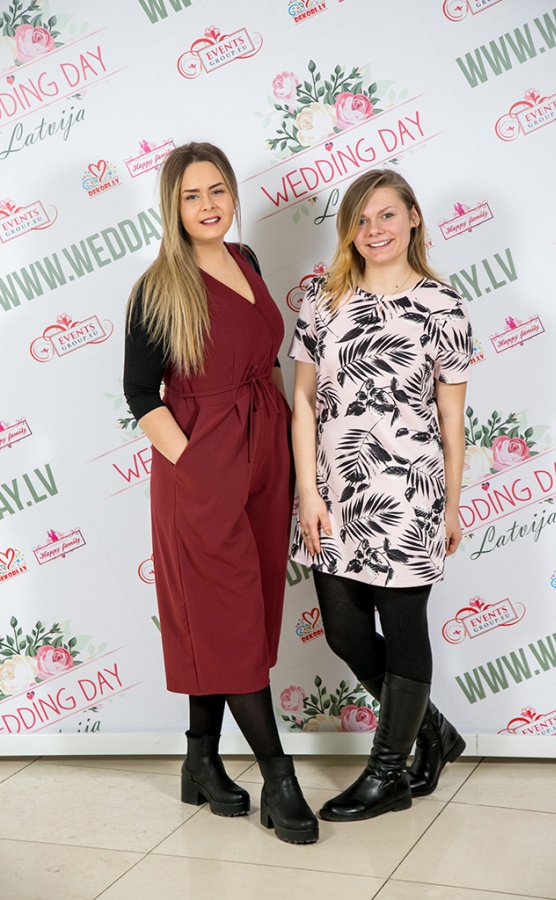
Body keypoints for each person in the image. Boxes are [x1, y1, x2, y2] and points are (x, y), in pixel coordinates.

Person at [123, 142, 318, 844]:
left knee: (243, 607)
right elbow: (140, 394)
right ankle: (279, 778)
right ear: (172, 207)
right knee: (230, 615)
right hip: (203, 467)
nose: (208, 206)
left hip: (266, 454)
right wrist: (198, 464)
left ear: (233, 194)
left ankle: (199, 762)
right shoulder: (158, 287)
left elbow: (266, 360)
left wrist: (287, 451)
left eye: (218, 191)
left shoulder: (248, 259)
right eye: (192, 196)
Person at [289, 168, 472, 822]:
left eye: (387, 215)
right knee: (344, 631)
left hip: (409, 493)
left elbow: (452, 418)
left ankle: (387, 772)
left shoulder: (443, 305)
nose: (374, 230)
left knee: (402, 627)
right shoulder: (324, 299)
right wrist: (308, 492)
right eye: (361, 220)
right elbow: (304, 401)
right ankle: (433, 731)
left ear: (413, 217)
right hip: (334, 494)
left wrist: (451, 504)